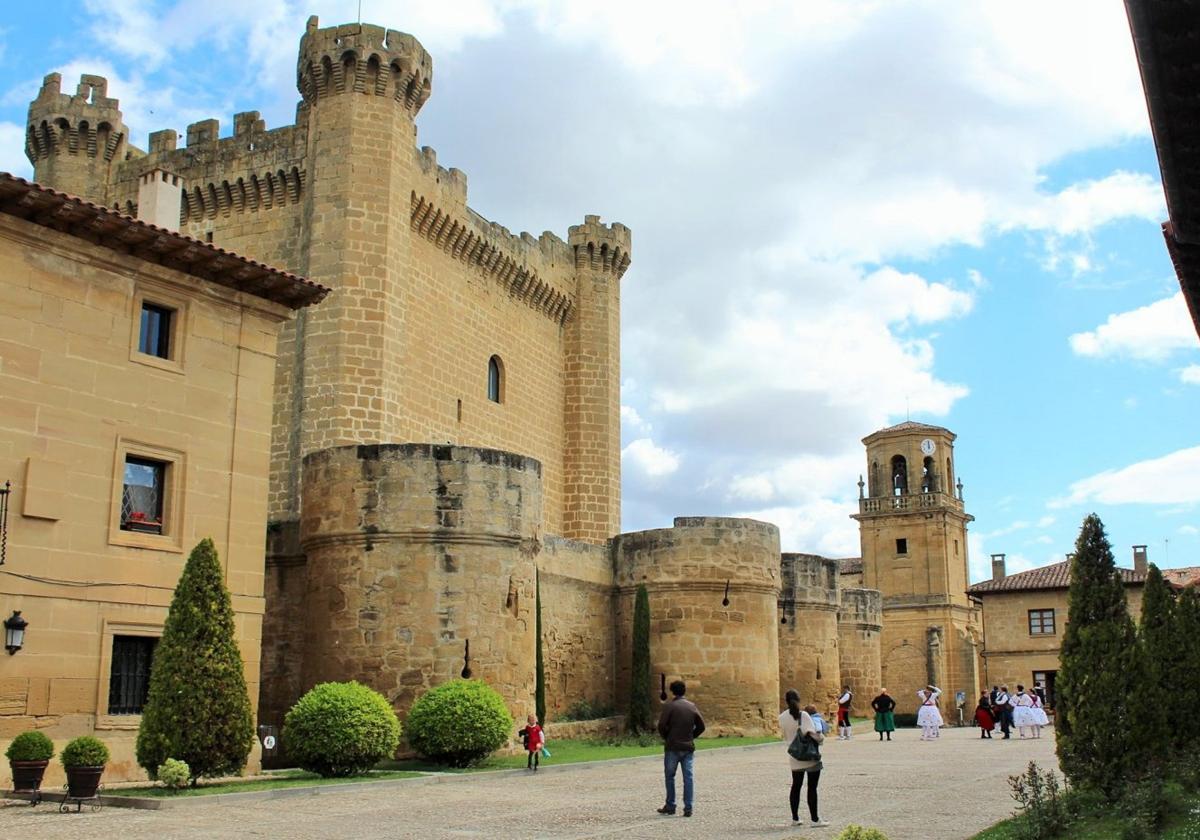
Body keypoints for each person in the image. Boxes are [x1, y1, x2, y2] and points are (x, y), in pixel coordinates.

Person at [779, 689, 830, 828]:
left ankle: (795, 818)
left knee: (796, 786)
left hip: (794, 755)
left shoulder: (782, 717)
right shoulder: (804, 715)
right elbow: (812, 733)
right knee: (812, 788)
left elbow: (785, 734)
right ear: (798, 699)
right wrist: (821, 738)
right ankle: (815, 819)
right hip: (809, 754)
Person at [657, 680, 705, 817]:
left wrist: (667, 737)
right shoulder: (692, 706)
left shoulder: (670, 707)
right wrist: (691, 736)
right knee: (688, 777)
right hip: (687, 746)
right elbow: (701, 726)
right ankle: (688, 807)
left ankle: (670, 805)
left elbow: (661, 725)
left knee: (670, 776)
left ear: (672, 691)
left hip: (672, 746)